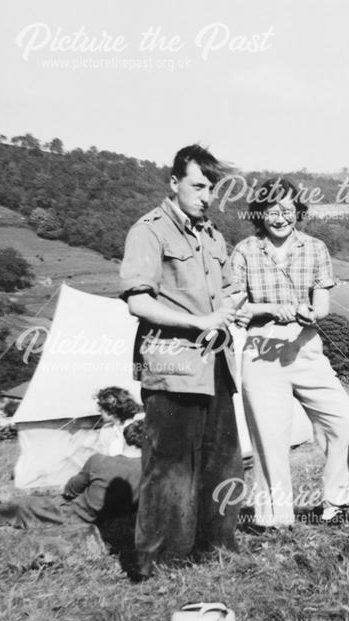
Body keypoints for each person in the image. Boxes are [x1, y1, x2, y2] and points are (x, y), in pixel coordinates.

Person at [119, 144, 244, 578]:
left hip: (218, 367)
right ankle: (161, 564)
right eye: (197, 186)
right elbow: (139, 302)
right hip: (172, 369)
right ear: (173, 183)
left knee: (222, 462)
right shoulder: (148, 232)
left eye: (212, 188)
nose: (206, 196)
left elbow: (228, 289)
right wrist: (201, 321)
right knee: (170, 467)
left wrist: (233, 306)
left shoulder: (213, 235)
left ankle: (216, 551)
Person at [230, 176, 349, 527]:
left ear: (297, 211)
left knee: (348, 423)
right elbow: (236, 308)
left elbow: (322, 302)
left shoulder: (315, 248)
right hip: (260, 352)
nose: (280, 217)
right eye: (272, 210)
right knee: (271, 440)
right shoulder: (245, 250)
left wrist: (310, 312)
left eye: (287, 209)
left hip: (306, 349)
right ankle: (275, 522)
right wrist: (272, 309)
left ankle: (339, 502)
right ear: (260, 213)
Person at [0, 387, 144, 528]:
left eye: (102, 408)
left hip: (117, 491)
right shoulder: (108, 430)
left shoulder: (135, 427)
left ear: (112, 409)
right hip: (107, 486)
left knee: (49, 507)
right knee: (56, 501)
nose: (99, 411)